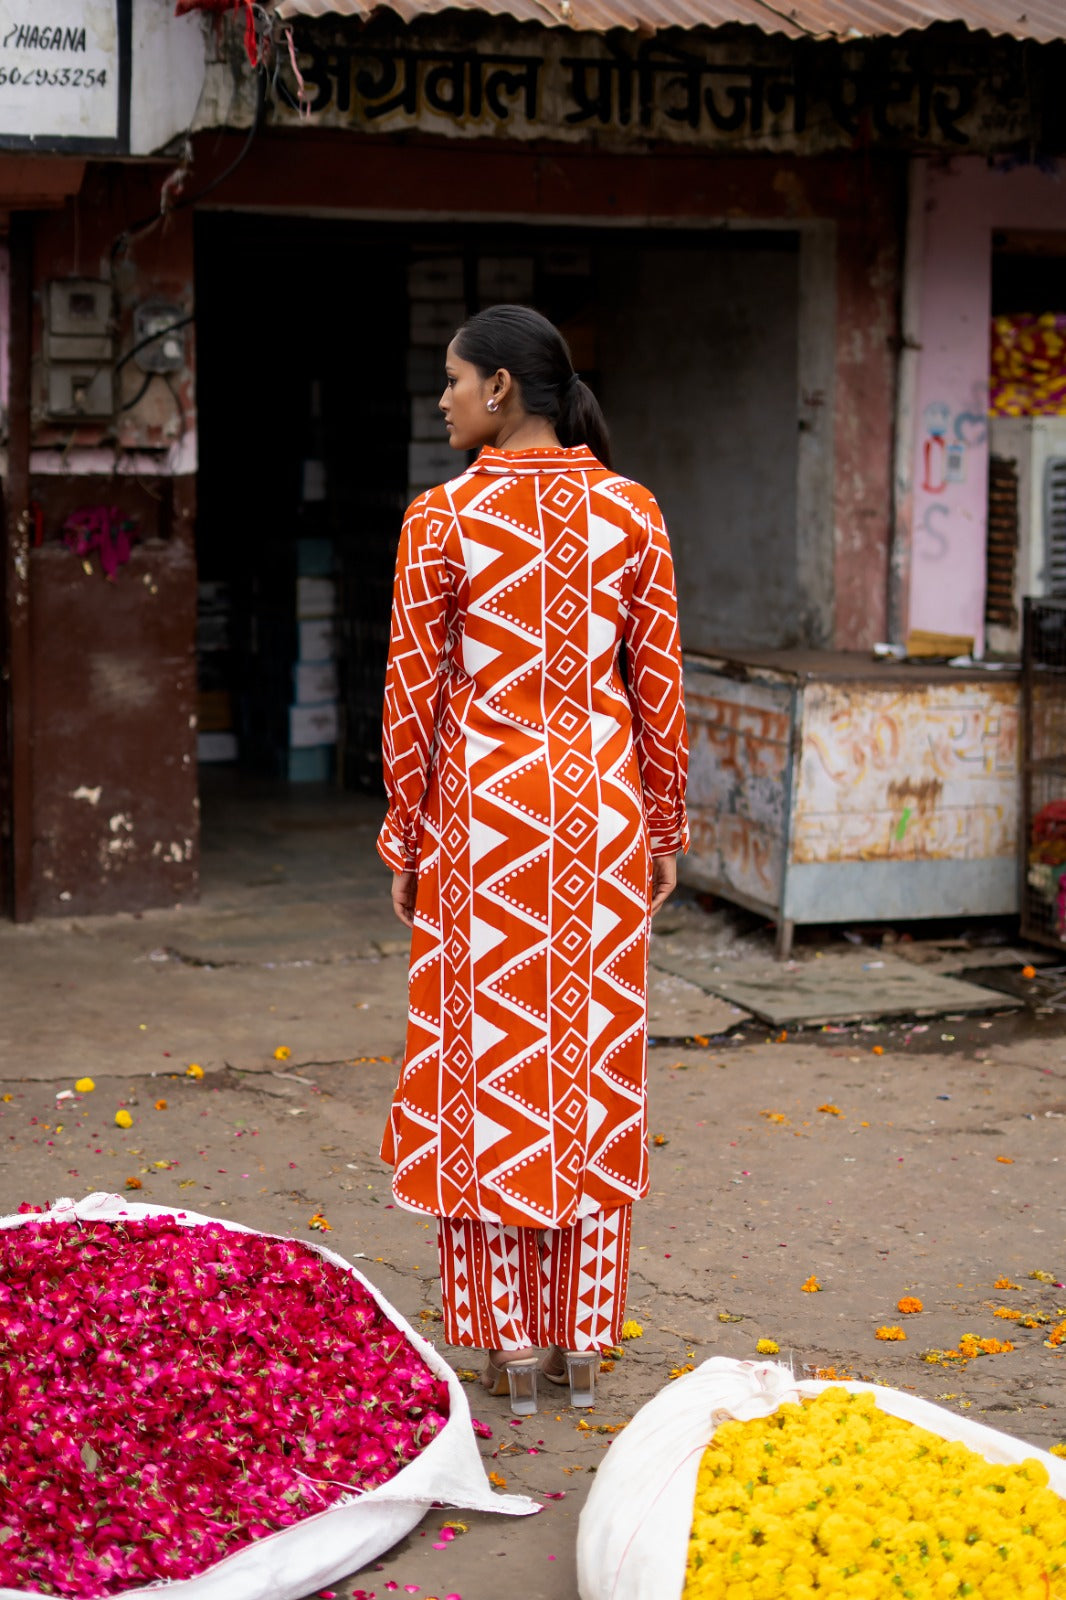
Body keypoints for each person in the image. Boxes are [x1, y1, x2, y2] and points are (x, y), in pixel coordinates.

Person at [377, 304, 688, 1414]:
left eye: (455, 381)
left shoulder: (440, 520)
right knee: (591, 1066)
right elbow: (658, 689)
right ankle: (584, 1344)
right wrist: (661, 825)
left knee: (483, 1069)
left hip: (485, 826)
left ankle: (507, 1347)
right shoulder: (633, 512)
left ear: (501, 390)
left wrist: (402, 835)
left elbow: (413, 697)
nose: (446, 399)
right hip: (600, 817)